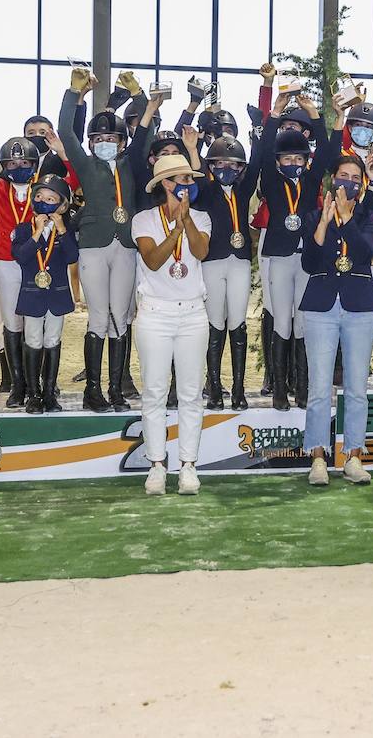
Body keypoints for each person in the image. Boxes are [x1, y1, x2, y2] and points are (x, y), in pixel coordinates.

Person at [57, 68, 161, 412]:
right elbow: (64, 132)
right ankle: (93, 389)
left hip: (125, 247)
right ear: (91, 143)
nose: (105, 143)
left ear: (121, 142)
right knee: (98, 316)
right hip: (93, 246)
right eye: (98, 139)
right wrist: (74, 92)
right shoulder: (86, 166)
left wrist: (139, 95)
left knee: (121, 316)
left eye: (111, 140)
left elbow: (145, 131)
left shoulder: (132, 163)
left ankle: (117, 389)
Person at [0, 111, 80, 410]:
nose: (18, 167)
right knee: (13, 322)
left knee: (41, 323)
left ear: (34, 164)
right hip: (7, 261)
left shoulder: (44, 187)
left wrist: (63, 152)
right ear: (4, 166)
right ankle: (18, 386)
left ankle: (42, 386)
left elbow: (74, 180)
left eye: (24, 162)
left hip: (39, 261)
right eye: (12, 164)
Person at [133, 154, 211, 496]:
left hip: (193, 313)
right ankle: (156, 466)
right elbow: (152, 261)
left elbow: (201, 251)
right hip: (154, 313)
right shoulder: (143, 220)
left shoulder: (203, 217)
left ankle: (189, 466)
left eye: (191, 180)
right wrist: (175, 229)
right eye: (182, 179)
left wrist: (187, 224)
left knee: (192, 394)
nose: (189, 186)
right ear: (166, 184)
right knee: (154, 392)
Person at [300, 155, 373, 486]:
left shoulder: (371, 217)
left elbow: (363, 254)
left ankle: (354, 456)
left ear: (362, 185)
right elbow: (308, 263)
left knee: (357, 388)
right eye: (342, 175)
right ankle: (318, 457)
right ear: (332, 180)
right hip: (320, 305)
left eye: (355, 177)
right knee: (319, 387)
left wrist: (346, 220)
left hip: (360, 306)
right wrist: (324, 224)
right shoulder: (315, 215)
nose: (348, 181)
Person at [258, 95, 327, 410]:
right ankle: (279, 389)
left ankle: (302, 387)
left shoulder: (311, 182)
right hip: (280, 258)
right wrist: (273, 114)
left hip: (306, 259)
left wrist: (314, 115)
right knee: (282, 322)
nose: (294, 164)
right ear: (278, 161)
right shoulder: (272, 181)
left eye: (299, 159)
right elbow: (261, 153)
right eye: (287, 159)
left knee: (302, 322)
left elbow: (326, 151)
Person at [197, 134, 261, 410]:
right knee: (215, 323)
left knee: (238, 322)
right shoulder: (205, 189)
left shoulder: (244, 189)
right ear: (211, 165)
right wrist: (192, 147)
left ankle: (238, 389)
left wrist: (263, 128)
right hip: (212, 261)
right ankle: (214, 389)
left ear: (241, 169)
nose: (227, 169)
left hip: (240, 261)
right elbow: (195, 169)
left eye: (234, 165)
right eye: (220, 163)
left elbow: (258, 163)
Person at [10, 174, 78, 414]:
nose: (43, 201)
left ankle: (49, 392)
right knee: (33, 340)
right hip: (32, 296)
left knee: (52, 341)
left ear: (62, 205)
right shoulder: (22, 229)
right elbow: (21, 256)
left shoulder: (65, 230)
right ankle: (33, 394)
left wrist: (61, 230)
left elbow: (72, 257)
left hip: (57, 296)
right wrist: (38, 233)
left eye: (50, 198)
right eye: (39, 196)